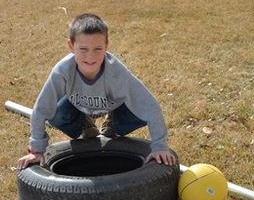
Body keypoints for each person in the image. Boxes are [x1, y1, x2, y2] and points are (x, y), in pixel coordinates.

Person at [17, 13, 176, 170]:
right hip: (78, 106)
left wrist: (159, 146)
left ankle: (113, 124)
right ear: (71, 46)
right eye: (83, 49)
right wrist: (36, 150)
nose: (90, 57)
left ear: (106, 46)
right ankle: (83, 125)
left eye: (98, 49)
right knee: (55, 113)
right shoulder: (62, 71)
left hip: (115, 105)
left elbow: (150, 106)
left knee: (140, 111)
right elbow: (42, 108)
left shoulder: (117, 73)